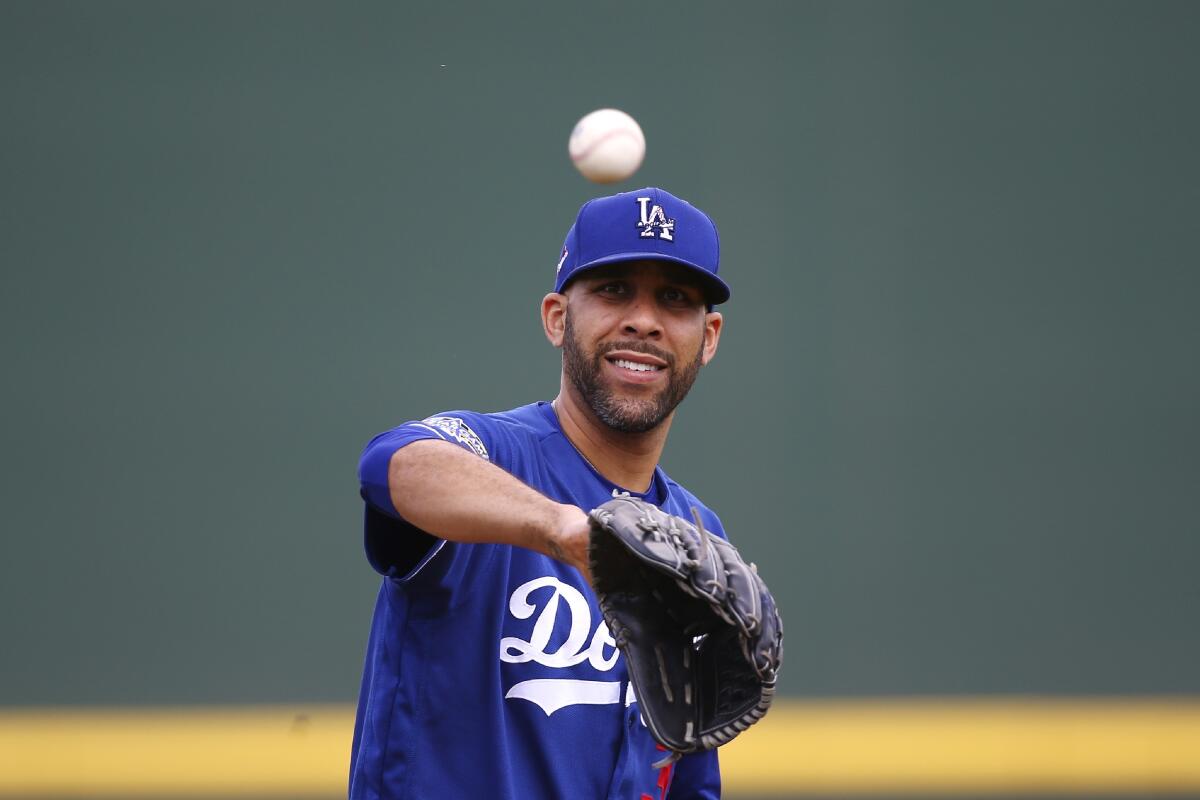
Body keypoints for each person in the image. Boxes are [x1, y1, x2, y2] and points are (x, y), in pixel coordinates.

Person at [351, 187, 733, 799]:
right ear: (557, 317)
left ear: (708, 337)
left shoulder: (697, 535)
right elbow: (392, 465)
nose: (643, 319)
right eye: (612, 291)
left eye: (674, 299)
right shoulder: (493, 454)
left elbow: (686, 779)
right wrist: (565, 530)